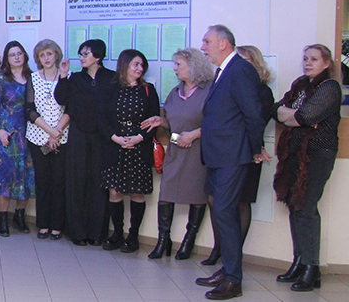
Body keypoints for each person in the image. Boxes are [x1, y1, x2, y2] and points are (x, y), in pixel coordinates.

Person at [195, 25, 265, 300]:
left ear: (223, 43)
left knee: (225, 211)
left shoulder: (241, 69)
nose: (203, 47)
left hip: (232, 155)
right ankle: (227, 271)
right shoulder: (224, 70)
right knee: (222, 211)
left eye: (207, 42)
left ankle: (234, 280)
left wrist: (255, 148)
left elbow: (253, 113)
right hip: (218, 154)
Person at [272, 44, 341, 292]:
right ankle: (299, 262)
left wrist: (294, 117)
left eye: (314, 59)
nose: (307, 63)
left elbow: (306, 117)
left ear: (326, 63)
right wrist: (295, 115)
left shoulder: (329, 87)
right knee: (295, 205)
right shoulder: (300, 85)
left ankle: (312, 268)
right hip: (295, 154)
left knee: (306, 207)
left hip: (317, 155)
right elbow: (275, 110)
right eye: (305, 58)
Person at [202, 45, 275, 267]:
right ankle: (222, 252)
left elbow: (255, 120)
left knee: (240, 202)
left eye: (243, 59)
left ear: (255, 64)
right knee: (218, 203)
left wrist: (255, 148)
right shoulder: (225, 81)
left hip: (247, 151)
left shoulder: (263, 91)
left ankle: (232, 260)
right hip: (226, 152)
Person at [144, 48, 213, 259]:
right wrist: (161, 121)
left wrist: (194, 134)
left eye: (178, 64)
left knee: (197, 196)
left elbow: (218, 122)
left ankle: (188, 241)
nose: (174, 68)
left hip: (198, 152)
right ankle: (163, 241)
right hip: (176, 150)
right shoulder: (175, 92)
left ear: (193, 66)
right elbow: (172, 122)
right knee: (166, 194)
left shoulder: (210, 90)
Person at [54, 39, 114, 246]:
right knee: (77, 182)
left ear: (98, 56)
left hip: (102, 136)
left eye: (85, 54)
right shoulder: (76, 78)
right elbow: (61, 99)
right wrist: (63, 76)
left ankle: (97, 233)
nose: (81, 57)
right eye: (80, 53)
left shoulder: (111, 78)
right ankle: (77, 232)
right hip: (79, 134)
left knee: (99, 184)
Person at [101, 49, 159, 253]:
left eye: (142, 65)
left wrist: (139, 138)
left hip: (138, 146)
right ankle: (117, 233)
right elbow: (102, 119)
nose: (140, 69)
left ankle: (133, 236)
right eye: (136, 64)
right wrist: (115, 138)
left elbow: (154, 120)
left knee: (137, 192)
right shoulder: (111, 88)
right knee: (115, 192)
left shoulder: (148, 90)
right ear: (124, 65)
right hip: (115, 146)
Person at [0, 41, 35, 237]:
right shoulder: (1, 78)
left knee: (26, 174)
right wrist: (0, 129)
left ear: (24, 55)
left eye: (19, 53)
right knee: (5, 175)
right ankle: (3, 218)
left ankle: (20, 216)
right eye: (12, 54)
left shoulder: (33, 77)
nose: (16, 57)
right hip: (6, 132)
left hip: (29, 132)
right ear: (7, 59)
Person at [26, 39, 69, 240]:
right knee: (42, 181)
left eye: (49, 54)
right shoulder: (33, 78)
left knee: (59, 182)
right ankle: (43, 224)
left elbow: (71, 107)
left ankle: (57, 226)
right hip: (38, 137)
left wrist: (57, 131)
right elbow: (29, 109)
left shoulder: (67, 77)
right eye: (42, 55)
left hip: (62, 137)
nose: (46, 58)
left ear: (56, 55)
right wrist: (49, 131)